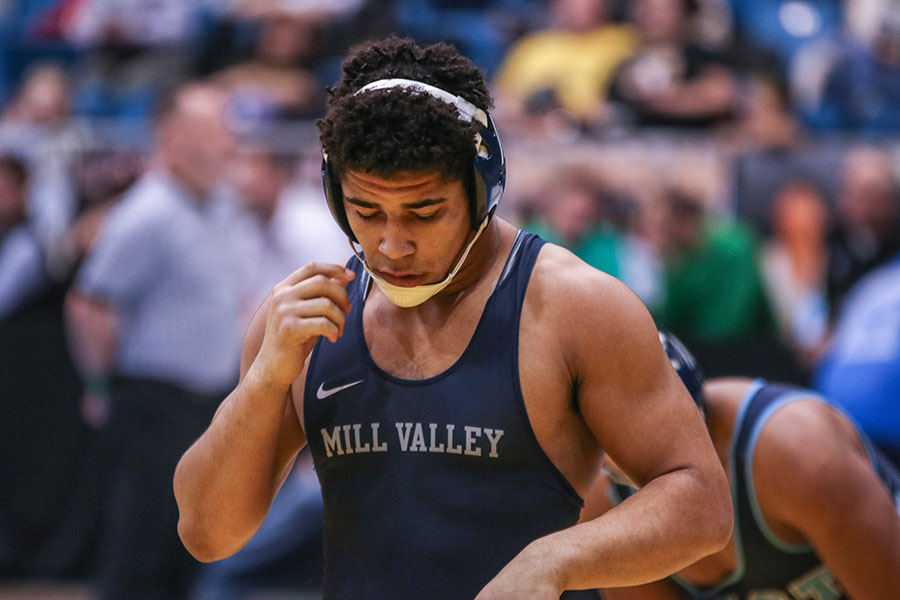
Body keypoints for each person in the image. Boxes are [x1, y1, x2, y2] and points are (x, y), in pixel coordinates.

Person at [174, 36, 732, 599]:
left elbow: (703, 504)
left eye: (424, 212)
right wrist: (264, 382)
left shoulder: (576, 307)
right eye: (366, 211)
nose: (392, 244)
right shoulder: (305, 316)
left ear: (482, 188)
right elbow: (207, 534)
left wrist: (554, 560)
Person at [66, 82, 249, 599]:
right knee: (142, 541)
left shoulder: (214, 203)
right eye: (218, 129)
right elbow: (90, 303)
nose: (230, 141)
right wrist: (100, 384)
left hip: (207, 405)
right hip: (154, 404)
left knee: (191, 544)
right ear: (174, 136)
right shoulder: (147, 214)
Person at [587, 333, 900, 599]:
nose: (661, 483)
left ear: (697, 418)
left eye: (664, 452)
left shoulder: (799, 455)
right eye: (626, 469)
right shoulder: (606, 509)